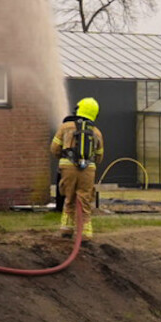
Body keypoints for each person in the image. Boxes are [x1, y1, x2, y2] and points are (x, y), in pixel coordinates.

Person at [49, 97, 105, 239]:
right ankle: (86, 234)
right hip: (88, 170)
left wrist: (63, 157)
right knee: (84, 200)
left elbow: (54, 148)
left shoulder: (65, 127)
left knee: (69, 198)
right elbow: (99, 156)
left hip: (67, 168)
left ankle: (66, 230)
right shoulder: (96, 132)